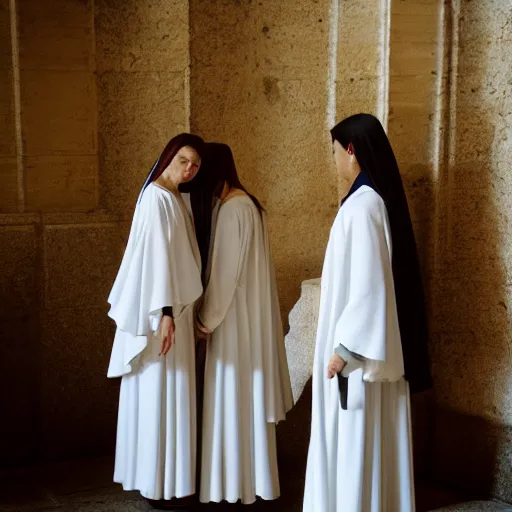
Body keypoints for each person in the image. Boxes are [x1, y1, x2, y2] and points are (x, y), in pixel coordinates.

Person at [303, 114, 432, 512]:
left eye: (336, 150)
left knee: (358, 429)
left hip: (357, 354)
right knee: (369, 434)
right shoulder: (372, 201)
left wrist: (345, 349)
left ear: (352, 150)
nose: (335, 159)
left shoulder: (363, 207)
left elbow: (370, 283)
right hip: (365, 345)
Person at [107, 133, 205, 509]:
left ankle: (171, 482)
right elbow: (154, 259)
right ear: (168, 157)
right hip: (163, 316)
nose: (189, 169)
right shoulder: (155, 198)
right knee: (161, 393)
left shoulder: (176, 198)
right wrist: (164, 314)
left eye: (195, 165)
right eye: (184, 160)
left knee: (173, 394)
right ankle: (157, 483)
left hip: (177, 310)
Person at [195, 143, 293, 505]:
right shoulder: (248, 204)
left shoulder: (234, 208)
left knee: (231, 399)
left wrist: (205, 321)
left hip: (233, 322)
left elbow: (223, 276)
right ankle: (250, 482)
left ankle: (231, 486)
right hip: (247, 319)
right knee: (243, 402)